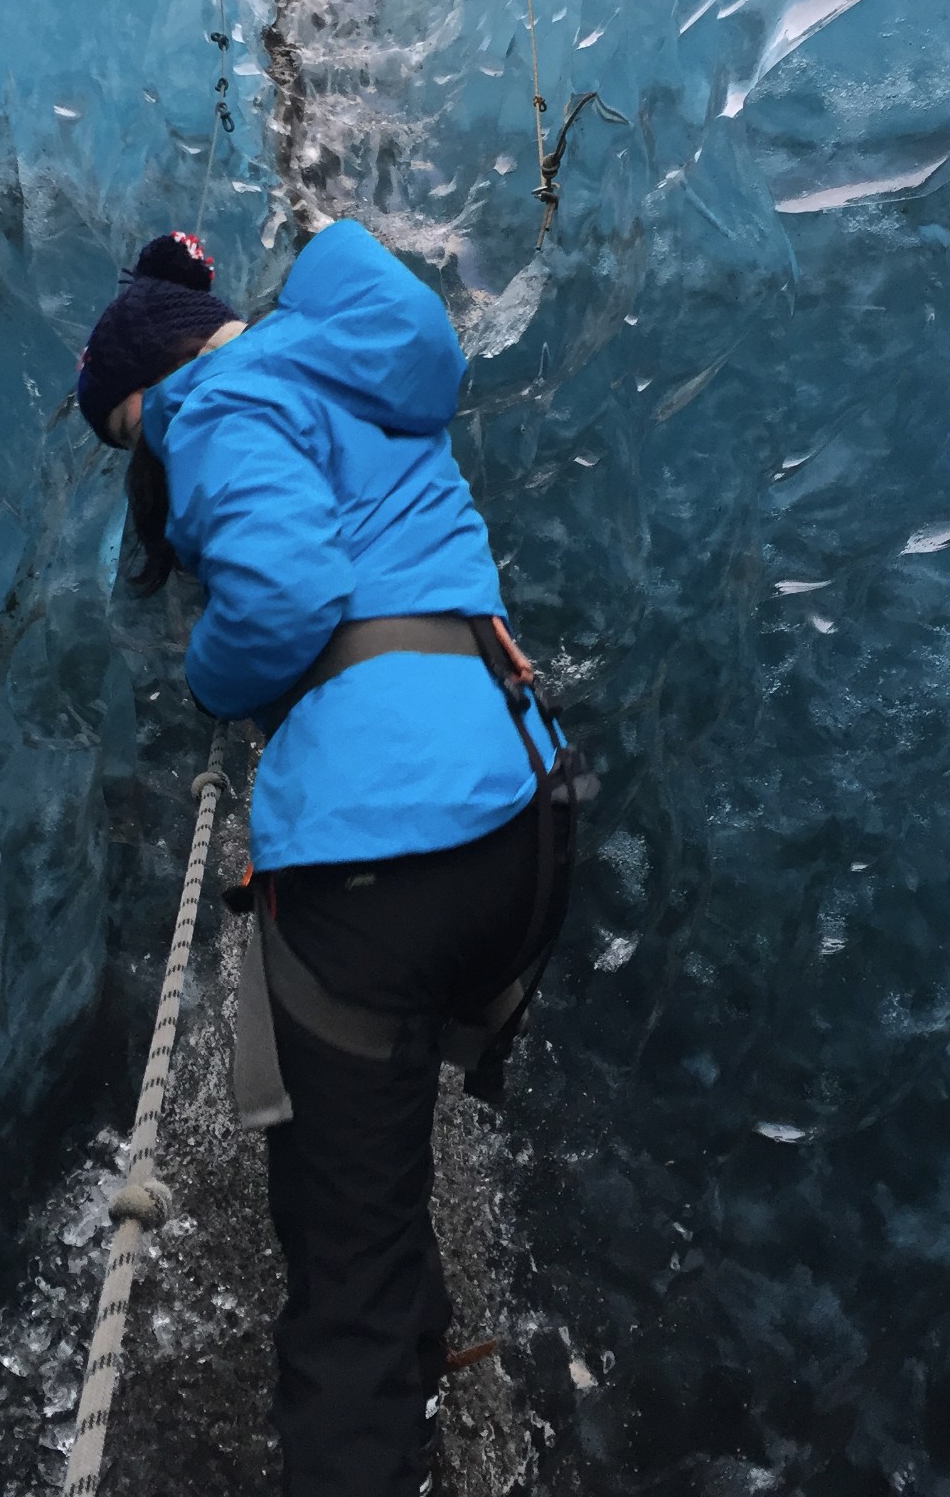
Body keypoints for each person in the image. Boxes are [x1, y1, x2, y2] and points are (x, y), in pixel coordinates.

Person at [77, 220, 575, 1497]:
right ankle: (430, 1342)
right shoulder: (353, 366)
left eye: (127, 428)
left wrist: (207, 682)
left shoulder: (216, 401)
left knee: (333, 1293)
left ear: (150, 380)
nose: (147, 453)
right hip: (518, 819)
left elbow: (288, 591)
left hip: (385, 861)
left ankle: (378, 1402)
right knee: (371, 1160)